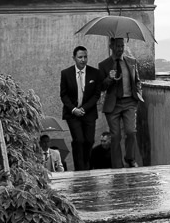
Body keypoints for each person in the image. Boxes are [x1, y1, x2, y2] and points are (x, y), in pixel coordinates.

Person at [99, 37, 144, 168]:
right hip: (113, 105)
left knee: (131, 132)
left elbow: (137, 80)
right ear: (111, 46)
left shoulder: (131, 61)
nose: (120, 49)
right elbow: (101, 87)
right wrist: (109, 78)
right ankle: (117, 166)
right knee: (116, 136)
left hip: (129, 101)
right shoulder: (104, 65)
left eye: (122, 46)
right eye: (117, 46)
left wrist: (138, 94)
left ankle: (130, 158)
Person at [59, 46, 103, 171]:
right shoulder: (66, 73)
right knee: (79, 139)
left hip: (88, 112)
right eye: (80, 57)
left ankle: (86, 165)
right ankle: (80, 169)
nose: (83, 60)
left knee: (89, 140)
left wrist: (83, 109)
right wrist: (74, 109)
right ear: (74, 58)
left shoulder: (95, 73)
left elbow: (96, 94)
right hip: (72, 113)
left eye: (85, 57)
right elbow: (63, 94)